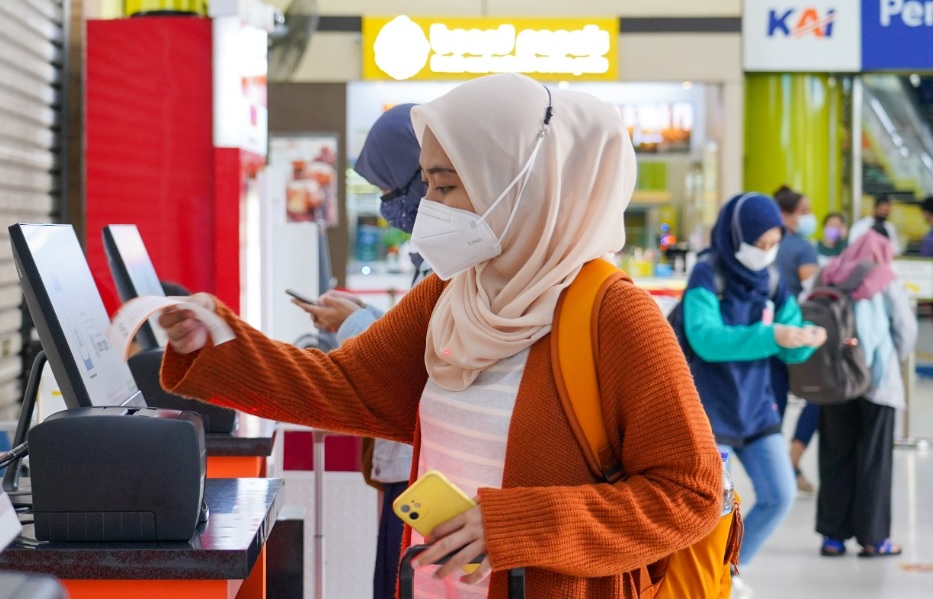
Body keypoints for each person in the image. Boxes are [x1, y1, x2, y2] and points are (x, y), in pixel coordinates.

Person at [158, 73, 723, 598]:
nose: (428, 207)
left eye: (446, 185)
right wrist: (214, 343)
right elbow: (348, 387)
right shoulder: (452, 295)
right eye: (426, 183)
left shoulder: (614, 316)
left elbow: (688, 494)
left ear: (519, 184)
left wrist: (513, 526)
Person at [291, 103, 429, 599]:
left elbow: (410, 361)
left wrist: (352, 322)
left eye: (392, 187)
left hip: (421, 474)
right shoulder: (432, 254)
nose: (387, 203)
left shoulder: (453, 260)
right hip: (410, 469)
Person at [681, 193, 826, 592]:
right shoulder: (707, 273)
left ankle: (728, 570)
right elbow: (706, 338)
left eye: (773, 245)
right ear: (736, 235)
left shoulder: (773, 278)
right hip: (710, 411)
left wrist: (806, 339)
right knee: (711, 507)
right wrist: (771, 334)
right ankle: (706, 579)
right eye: (758, 244)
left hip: (757, 408)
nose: (765, 253)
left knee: (779, 494)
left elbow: (788, 338)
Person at [816, 230, 916, 558]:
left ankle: (832, 537)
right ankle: (874, 539)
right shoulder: (885, 277)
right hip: (877, 381)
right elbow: (905, 330)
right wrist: (888, 361)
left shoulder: (828, 272)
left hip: (835, 380)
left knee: (835, 456)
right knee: (874, 461)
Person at [772, 185, 821, 493]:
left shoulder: (767, 244)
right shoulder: (802, 248)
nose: (808, 218)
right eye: (804, 212)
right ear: (787, 215)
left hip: (767, 335)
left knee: (774, 403)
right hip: (799, 333)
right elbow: (813, 290)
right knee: (816, 398)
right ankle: (791, 459)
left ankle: (776, 467)